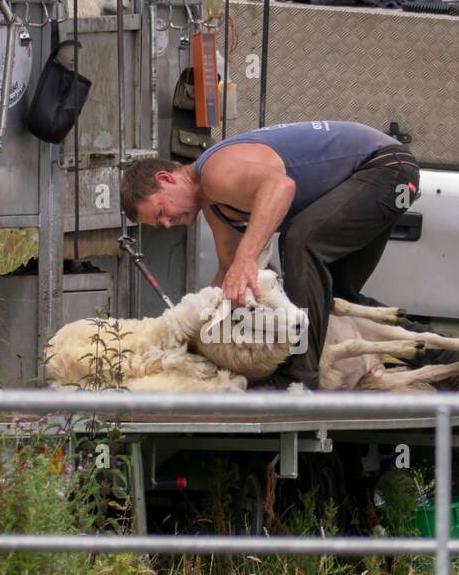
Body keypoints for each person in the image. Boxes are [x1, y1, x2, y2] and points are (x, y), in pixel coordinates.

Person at [119, 120, 421, 388]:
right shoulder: (215, 207)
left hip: (384, 167)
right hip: (382, 176)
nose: (168, 223)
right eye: (159, 224)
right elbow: (227, 276)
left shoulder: (214, 173)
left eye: (161, 212)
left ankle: (300, 378)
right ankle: (446, 353)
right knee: (332, 299)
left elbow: (280, 186)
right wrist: (192, 332)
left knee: (301, 242)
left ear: (167, 178)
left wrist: (246, 259)